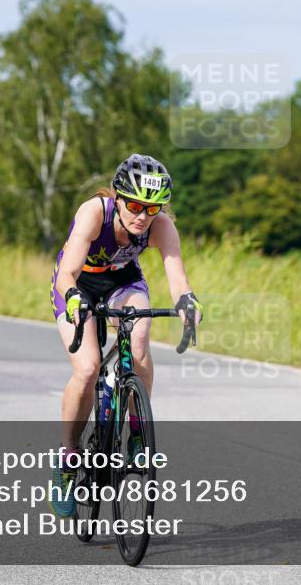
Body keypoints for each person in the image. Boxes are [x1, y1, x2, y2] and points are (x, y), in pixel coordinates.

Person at [48, 154, 202, 517]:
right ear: (118, 198)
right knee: (87, 368)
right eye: (134, 205)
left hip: (122, 281)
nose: (142, 215)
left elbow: (178, 278)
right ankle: (67, 459)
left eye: (152, 208)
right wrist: (73, 300)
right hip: (77, 282)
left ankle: (135, 433)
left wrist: (187, 302)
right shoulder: (94, 212)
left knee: (140, 338)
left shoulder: (160, 226)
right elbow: (67, 273)